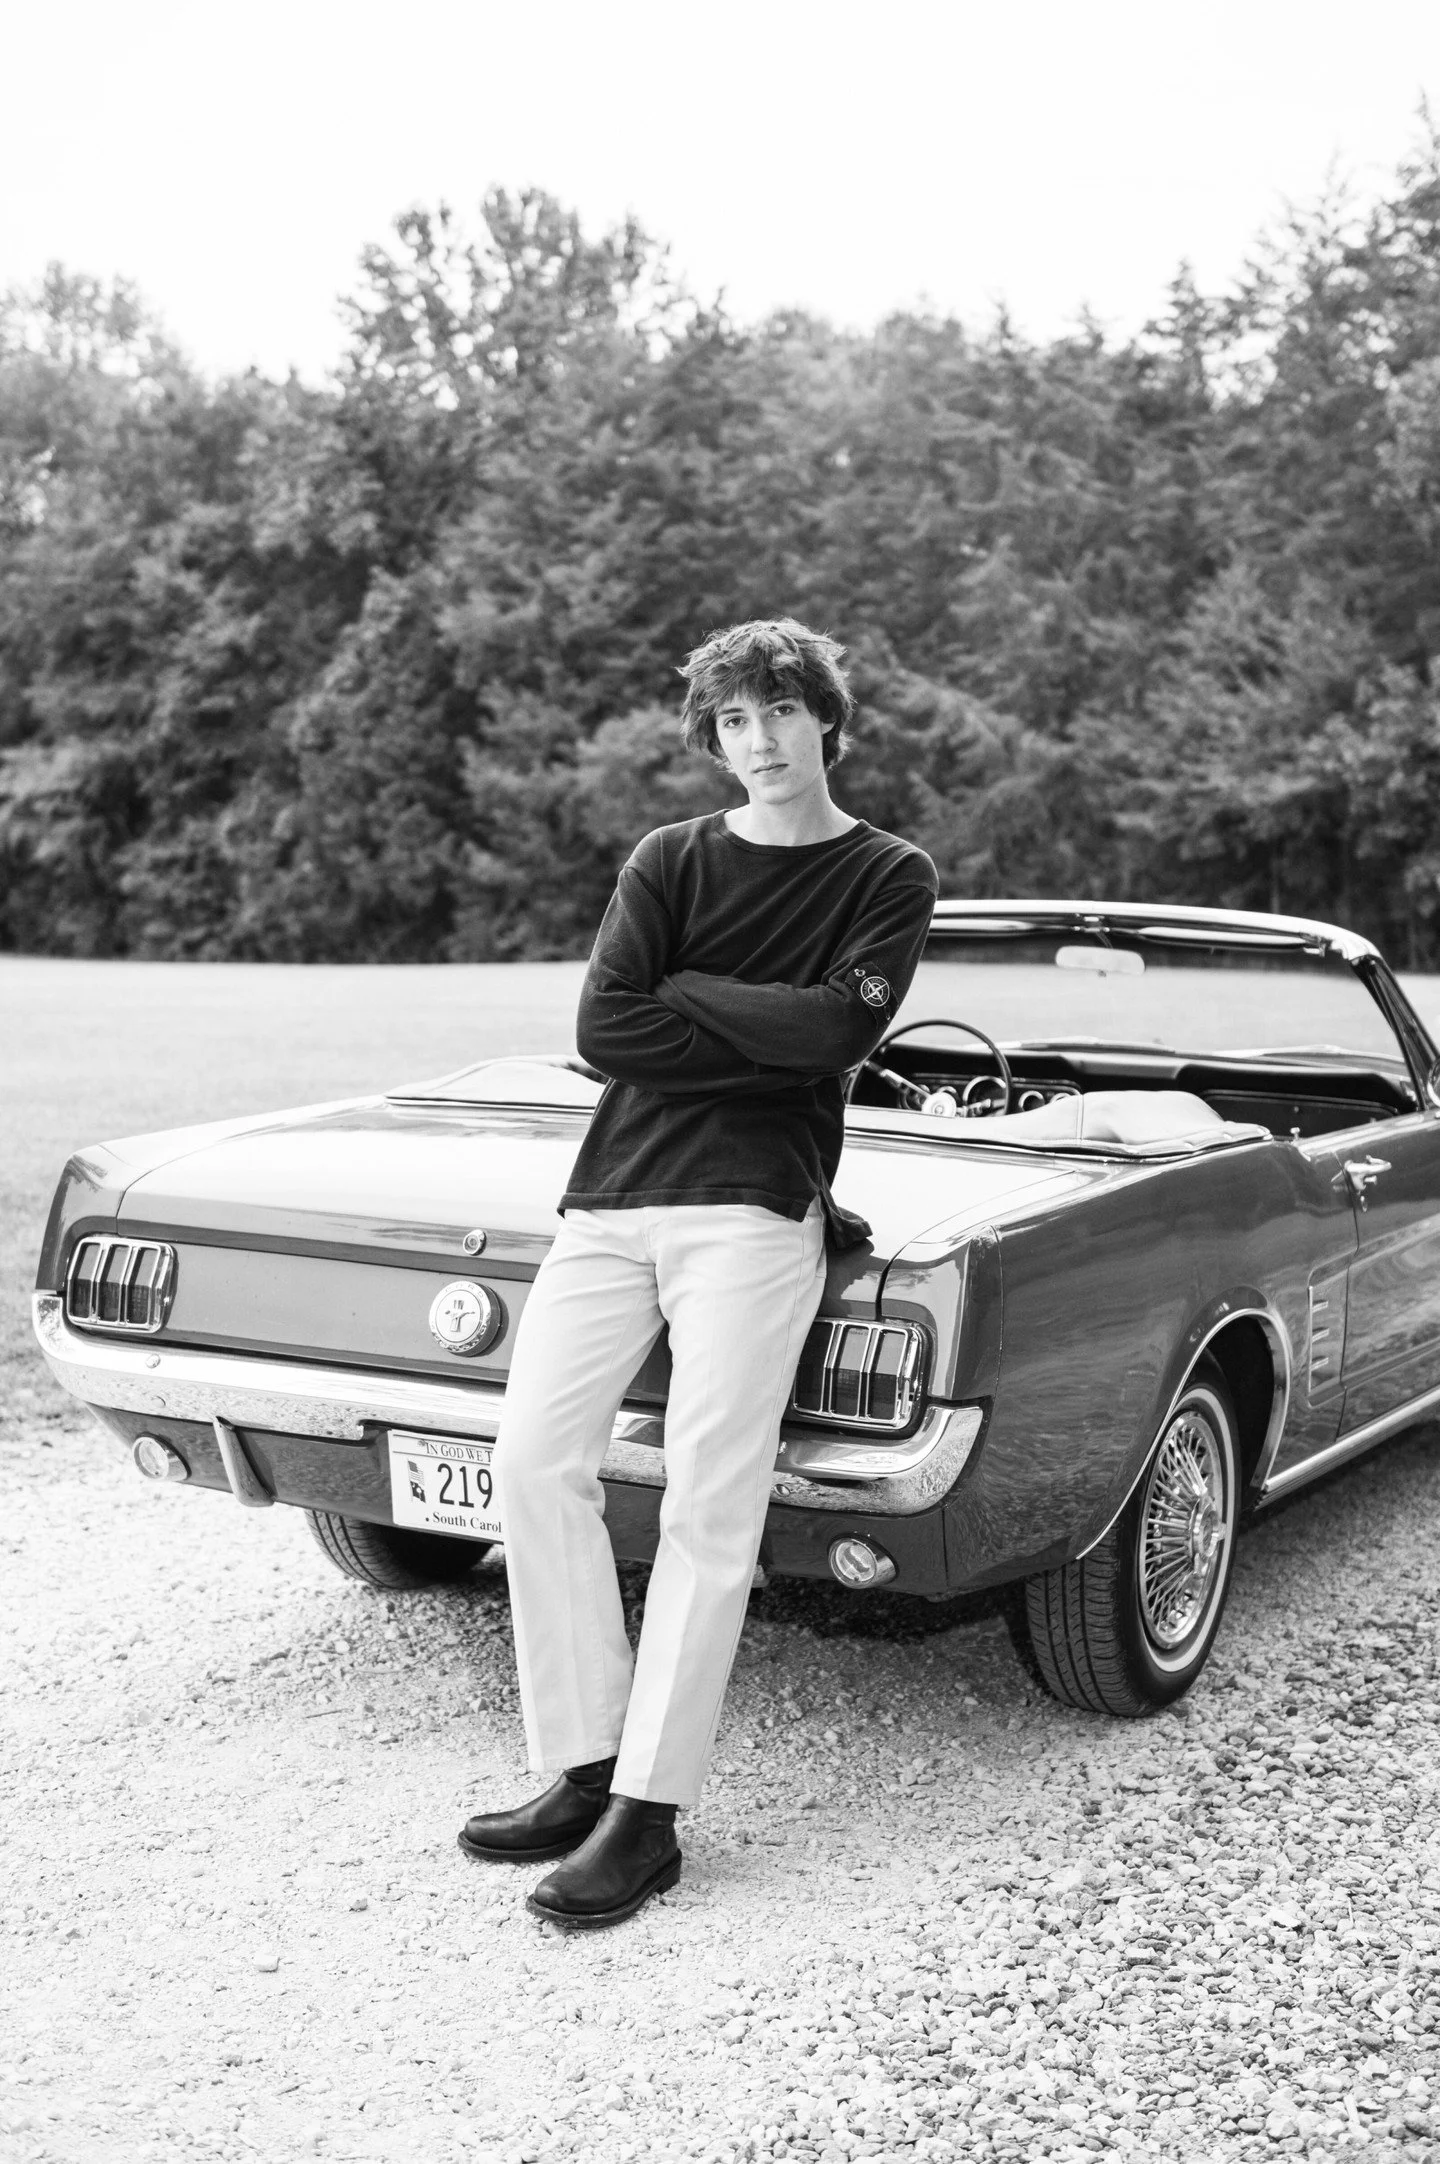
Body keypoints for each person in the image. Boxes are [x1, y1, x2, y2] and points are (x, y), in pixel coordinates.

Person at [458, 618, 938, 1928]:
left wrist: (702, 995)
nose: (760, 741)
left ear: (826, 722)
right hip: (613, 1201)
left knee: (704, 1508)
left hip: (755, 1213)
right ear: (714, 736)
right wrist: (769, 1019)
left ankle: (648, 1818)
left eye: (780, 713)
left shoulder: (888, 873)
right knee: (531, 1466)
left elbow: (841, 1028)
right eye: (734, 720)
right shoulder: (670, 856)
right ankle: (585, 1765)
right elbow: (605, 1025)